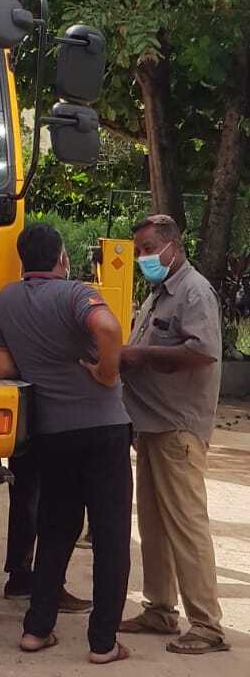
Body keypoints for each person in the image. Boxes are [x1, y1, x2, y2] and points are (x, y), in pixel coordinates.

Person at [0, 223, 132, 665]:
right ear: (61, 258)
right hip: (104, 429)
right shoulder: (75, 293)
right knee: (110, 536)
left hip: (52, 433)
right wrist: (107, 374)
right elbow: (108, 328)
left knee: (55, 530)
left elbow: (4, 371)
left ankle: (36, 630)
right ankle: (103, 642)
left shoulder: (4, 302)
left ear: (22, 261)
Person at [119, 214, 229, 655]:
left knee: (185, 526)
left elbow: (202, 351)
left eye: (149, 249)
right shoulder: (157, 295)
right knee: (154, 523)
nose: (144, 257)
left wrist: (138, 355)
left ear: (172, 247)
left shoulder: (193, 291)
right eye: (140, 250)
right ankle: (160, 608)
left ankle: (206, 624)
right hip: (150, 425)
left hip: (177, 427)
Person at [4, 446, 91, 612]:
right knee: (54, 497)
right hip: (50, 429)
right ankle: (50, 588)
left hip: (26, 429)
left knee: (25, 492)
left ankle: (20, 577)